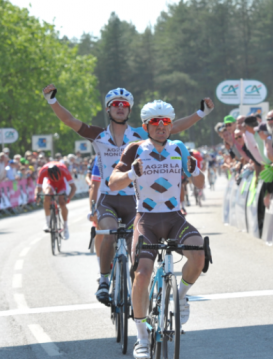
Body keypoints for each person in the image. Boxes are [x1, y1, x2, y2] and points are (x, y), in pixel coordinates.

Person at [42, 83, 213, 306]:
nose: (120, 108)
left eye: (124, 105)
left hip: (135, 201)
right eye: (115, 105)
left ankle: (138, 296)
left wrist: (200, 113)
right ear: (108, 109)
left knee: (138, 251)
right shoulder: (98, 135)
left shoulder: (140, 134)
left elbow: (173, 127)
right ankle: (103, 281)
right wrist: (52, 101)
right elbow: (70, 121)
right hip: (108, 198)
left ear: (130, 110)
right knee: (110, 234)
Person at [108, 100, 206, 359]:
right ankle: (141, 338)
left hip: (174, 218)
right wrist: (130, 173)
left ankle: (181, 296)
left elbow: (200, 183)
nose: (161, 127)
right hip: (146, 220)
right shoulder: (135, 149)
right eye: (155, 123)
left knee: (199, 254)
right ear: (146, 126)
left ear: (171, 125)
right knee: (142, 273)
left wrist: (196, 170)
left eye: (166, 122)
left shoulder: (180, 148)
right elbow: (113, 183)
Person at [37, 161, 76, 239]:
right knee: (47, 196)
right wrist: (37, 196)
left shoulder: (64, 169)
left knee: (62, 203)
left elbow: (73, 187)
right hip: (49, 183)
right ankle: (47, 223)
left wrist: (68, 198)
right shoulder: (43, 170)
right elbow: (38, 189)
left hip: (61, 183)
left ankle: (65, 227)